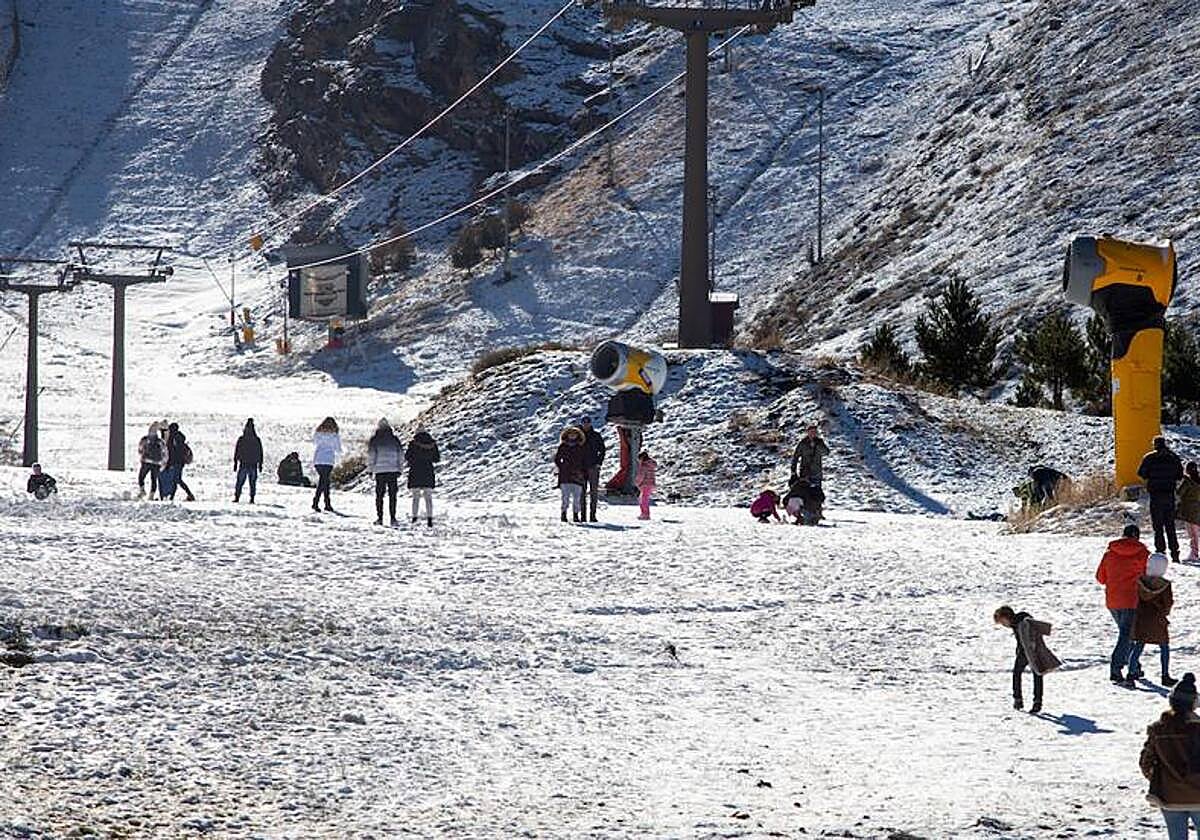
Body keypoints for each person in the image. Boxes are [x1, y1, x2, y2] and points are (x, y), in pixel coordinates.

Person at [1139, 673, 1200, 839]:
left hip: (1170, 797)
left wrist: (1159, 779)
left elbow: (1146, 761)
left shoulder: (1158, 729)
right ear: (1194, 704)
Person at [1097, 523, 1150, 684]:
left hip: (1113, 600)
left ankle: (1135, 666)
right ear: (1137, 536)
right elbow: (1148, 577)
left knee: (1126, 634)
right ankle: (1116, 667)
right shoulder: (1143, 554)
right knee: (1127, 635)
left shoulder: (1109, 553)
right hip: (1132, 599)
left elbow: (1100, 578)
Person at [993, 606, 1061, 714]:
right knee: (1020, 673)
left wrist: (1033, 648)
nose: (1004, 625)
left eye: (1002, 622)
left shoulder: (1024, 622)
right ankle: (1020, 700)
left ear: (1007, 617)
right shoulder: (1016, 624)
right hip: (1023, 652)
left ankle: (1035, 702)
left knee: (1037, 673)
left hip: (1032, 652)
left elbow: (1033, 635)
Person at [1131, 552, 1177, 688]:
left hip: (1141, 618)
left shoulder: (1140, 582)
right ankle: (1165, 675)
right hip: (1157, 620)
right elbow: (1168, 604)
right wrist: (1164, 612)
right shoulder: (1165, 585)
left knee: (1138, 646)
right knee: (1164, 647)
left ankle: (1131, 672)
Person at [1139, 436, 1185, 562]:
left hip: (1155, 495)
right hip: (1169, 495)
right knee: (1170, 525)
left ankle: (1160, 552)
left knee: (1158, 526)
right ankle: (1175, 554)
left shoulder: (1149, 458)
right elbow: (1180, 475)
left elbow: (1142, 474)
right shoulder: (1173, 457)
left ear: (1155, 445)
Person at [368, 418, 403, 526]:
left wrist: (371, 470)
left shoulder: (375, 440)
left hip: (380, 471)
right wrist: (399, 469)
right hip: (393, 470)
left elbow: (371, 456)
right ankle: (393, 518)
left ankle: (380, 518)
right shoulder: (395, 439)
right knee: (393, 496)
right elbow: (400, 455)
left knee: (379, 496)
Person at [406, 426, 439, 527]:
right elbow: (437, 458)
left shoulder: (413, 443)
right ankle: (429, 519)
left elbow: (407, 457)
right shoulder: (432, 444)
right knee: (428, 497)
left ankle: (414, 518)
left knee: (416, 497)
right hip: (428, 471)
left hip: (415, 471)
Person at [555, 426, 587, 523]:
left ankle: (576, 515)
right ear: (567, 435)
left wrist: (583, 472)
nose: (572, 436)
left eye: (574, 434)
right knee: (565, 497)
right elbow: (557, 459)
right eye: (570, 434)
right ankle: (563, 513)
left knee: (577, 498)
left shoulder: (581, 447)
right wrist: (562, 467)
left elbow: (584, 461)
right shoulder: (563, 446)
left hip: (578, 475)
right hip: (565, 475)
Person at [312, 417, 342, 513]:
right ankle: (318, 502)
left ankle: (325, 504)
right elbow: (338, 449)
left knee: (324, 481)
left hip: (318, 460)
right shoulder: (334, 435)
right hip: (328, 461)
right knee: (324, 481)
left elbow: (315, 442)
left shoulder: (318, 433)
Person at [580, 416, 606, 523]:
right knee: (581, 492)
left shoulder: (596, 436)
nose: (586, 424)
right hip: (581, 467)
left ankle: (592, 515)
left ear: (591, 423)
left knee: (593, 492)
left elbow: (602, 450)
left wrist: (599, 463)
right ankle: (582, 515)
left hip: (593, 467)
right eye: (584, 423)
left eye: (588, 423)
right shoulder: (578, 435)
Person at [791, 423, 830, 490]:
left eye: (815, 432)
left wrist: (818, 445)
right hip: (805, 472)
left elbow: (826, 452)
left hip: (816, 472)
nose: (813, 433)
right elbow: (796, 456)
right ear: (808, 432)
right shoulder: (803, 443)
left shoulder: (820, 442)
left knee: (817, 493)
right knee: (805, 491)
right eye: (811, 431)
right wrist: (793, 470)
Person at [233, 418, 263, 504]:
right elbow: (237, 451)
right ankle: (241, 497)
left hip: (248, 464)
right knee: (246, 482)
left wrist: (260, 464)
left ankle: (247, 498)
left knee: (247, 482)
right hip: (247, 464)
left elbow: (260, 453)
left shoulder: (245, 439)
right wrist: (235, 462)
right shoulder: (253, 440)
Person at [164, 422, 195, 502]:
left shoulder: (173, 438)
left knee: (177, 480)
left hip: (176, 462)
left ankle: (189, 494)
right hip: (180, 462)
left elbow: (172, 452)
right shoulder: (179, 438)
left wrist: (168, 463)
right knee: (176, 480)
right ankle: (172, 497)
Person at [1177, 462, 1200, 563]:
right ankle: (1195, 553)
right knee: (1196, 532)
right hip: (1198, 507)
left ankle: (1194, 554)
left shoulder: (1187, 481)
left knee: (1192, 533)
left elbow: (1179, 493)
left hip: (1189, 509)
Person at [137, 423, 166, 500]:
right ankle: (151, 495)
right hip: (157, 463)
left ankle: (142, 491)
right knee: (154, 479)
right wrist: (163, 462)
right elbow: (165, 452)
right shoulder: (160, 441)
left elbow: (140, 449)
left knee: (141, 477)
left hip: (146, 461)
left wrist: (142, 456)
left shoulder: (145, 439)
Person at [635, 450, 657, 521]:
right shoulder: (651, 465)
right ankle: (644, 514)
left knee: (643, 500)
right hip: (651, 484)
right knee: (644, 499)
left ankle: (645, 514)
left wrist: (637, 483)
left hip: (645, 484)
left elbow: (641, 476)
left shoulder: (644, 466)